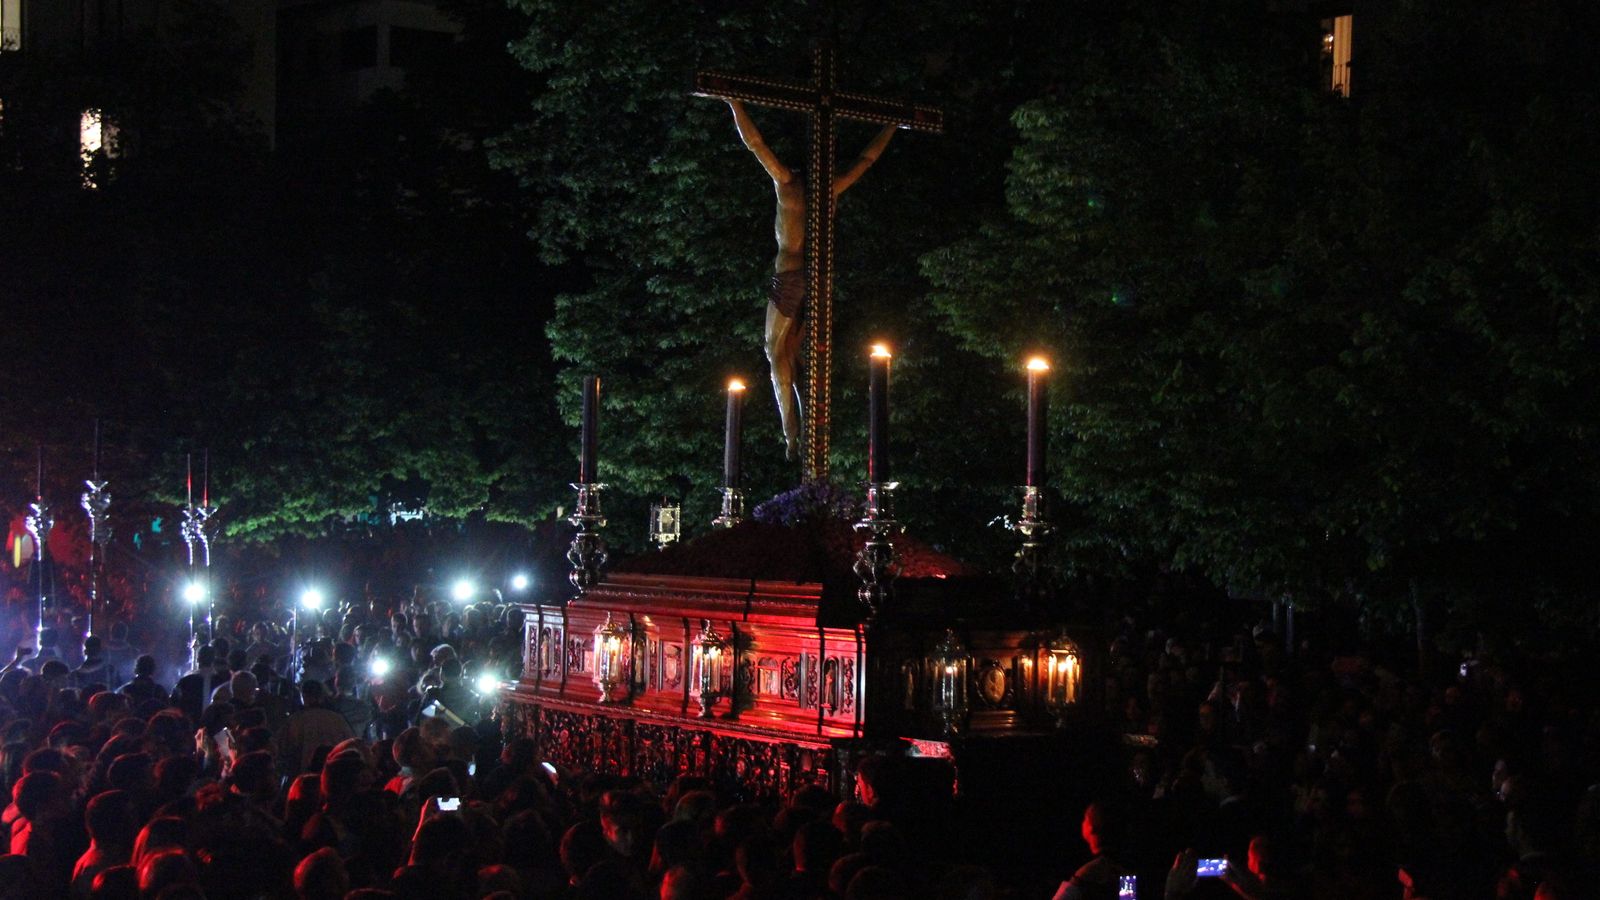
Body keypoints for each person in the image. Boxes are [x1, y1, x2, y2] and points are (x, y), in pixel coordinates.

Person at [725, 99, 897, 459]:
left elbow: (756, 144)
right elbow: (867, 160)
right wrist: (892, 125)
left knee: (775, 351)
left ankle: (791, 436)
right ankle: (799, 434)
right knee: (797, 355)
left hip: (789, 277)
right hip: (817, 280)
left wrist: (734, 103)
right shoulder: (829, 190)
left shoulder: (787, 184)